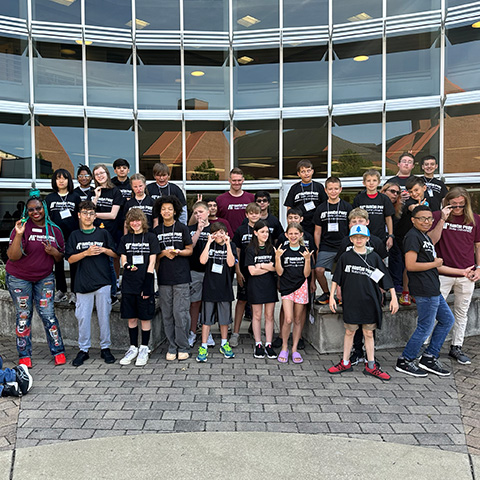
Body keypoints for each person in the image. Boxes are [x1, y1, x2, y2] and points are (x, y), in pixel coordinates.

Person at [328, 225, 398, 380]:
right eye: (355, 237)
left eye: (362, 237)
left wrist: (393, 297)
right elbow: (336, 278)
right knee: (349, 331)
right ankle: (345, 362)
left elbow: (385, 278)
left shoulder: (374, 257)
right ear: (351, 239)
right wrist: (332, 296)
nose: (358, 240)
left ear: (367, 239)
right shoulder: (345, 257)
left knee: (368, 332)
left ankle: (371, 365)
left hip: (370, 301)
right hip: (351, 301)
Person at [6, 189, 67, 368]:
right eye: (31, 209)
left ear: (44, 208)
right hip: (19, 278)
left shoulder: (55, 230)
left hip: (44, 277)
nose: (35, 212)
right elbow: (13, 256)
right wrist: (18, 234)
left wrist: (54, 252)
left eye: (38, 208)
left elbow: (60, 257)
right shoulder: (22, 227)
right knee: (24, 315)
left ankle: (58, 351)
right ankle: (24, 355)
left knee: (48, 315)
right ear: (27, 211)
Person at [395, 205, 455, 377]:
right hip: (424, 288)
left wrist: (462, 272)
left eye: (429, 218)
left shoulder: (423, 236)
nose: (426, 221)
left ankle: (429, 357)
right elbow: (410, 265)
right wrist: (435, 264)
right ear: (413, 220)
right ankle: (405, 360)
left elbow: (434, 241)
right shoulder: (412, 236)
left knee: (447, 320)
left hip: (432, 288)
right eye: (422, 218)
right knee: (425, 327)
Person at [431, 187, 480, 365]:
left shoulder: (475, 219)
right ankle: (428, 347)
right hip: (443, 272)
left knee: (461, 312)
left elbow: (478, 246)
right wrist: (443, 219)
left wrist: (479, 268)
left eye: (461, 204)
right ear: (447, 203)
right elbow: (431, 241)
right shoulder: (437, 216)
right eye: (454, 205)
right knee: (432, 311)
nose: (458, 208)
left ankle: (456, 346)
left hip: (467, 273)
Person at [66, 201, 118, 367]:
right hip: (82, 283)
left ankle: (105, 348)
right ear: (79, 215)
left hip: (103, 281)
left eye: (91, 213)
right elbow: (70, 259)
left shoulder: (103, 233)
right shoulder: (74, 235)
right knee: (83, 318)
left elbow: (115, 253)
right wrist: (86, 253)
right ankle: (83, 349)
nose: (88, 216)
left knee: (104, 316)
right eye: (85, 213)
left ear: (95, 216)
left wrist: (104, 250)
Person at [334, 208, 388, 366]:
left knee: (369, 324)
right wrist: (338, 288)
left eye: (361, 221)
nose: (357, 224)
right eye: (354, 221)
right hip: (352, 289)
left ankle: (370, 355)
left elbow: (381, 266)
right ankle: (356, 351)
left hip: (371, 289)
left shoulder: (376, 241)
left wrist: (382, 288)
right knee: (353, 323)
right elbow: (339, 267)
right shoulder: (346, 242)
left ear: (367, 222)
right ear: (349, 224)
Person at [118, 209, 160, 367]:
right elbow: (123, 259)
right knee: (131, 317)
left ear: (143, 221)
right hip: (129, 283)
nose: (135, 223)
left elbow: (152, 262)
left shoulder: (151, 237)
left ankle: (144, 348)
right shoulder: (125, 239)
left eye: (138, 220)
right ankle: (133, 347)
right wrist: (127, 266)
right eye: (132, 221)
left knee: (145, 318)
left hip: (145, 281)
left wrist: (148, 285)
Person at [154, 195, 193, 361]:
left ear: (175, 211)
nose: (166, 212)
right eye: (163, 209)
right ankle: (172, 346)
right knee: (167, 314)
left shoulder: (182, 228)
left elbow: (190, 250)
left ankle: (183, 346)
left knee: (180, 313)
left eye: (170, 209)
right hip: (164, 278)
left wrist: (179, 252)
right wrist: (164, 253)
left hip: (181, 277)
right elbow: (154, 256)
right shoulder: (156, 231)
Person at [273, 208, 317, 350]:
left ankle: (296, 345)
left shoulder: (306, 246)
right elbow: (279, 271)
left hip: (301, 284)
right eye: (290, 234)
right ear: (286, 235)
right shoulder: (282, 244)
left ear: (301, 234)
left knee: (298, 317)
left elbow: (308, 270)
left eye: (296, 234)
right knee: (288, 317)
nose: (293, 236)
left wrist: (308, 263)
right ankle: (283, 342)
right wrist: (277, 258)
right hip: (286, 285)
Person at [196, 222, 236, 363]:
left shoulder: (231, 246)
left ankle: (224, 344)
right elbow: (202, 261)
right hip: (209, 287)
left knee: (224, 319)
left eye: (221, 232)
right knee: (206, 319)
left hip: (224, 287)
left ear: (226, 233)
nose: (219, 235)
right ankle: (204, 346)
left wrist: (228, 244)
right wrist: (208, 242)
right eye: (215, 232)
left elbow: (231, 263)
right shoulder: (209, 245)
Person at [313, 176, 353, 304]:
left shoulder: (347, 207)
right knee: (318, 270)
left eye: (336, 188)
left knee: (345, 271)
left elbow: (352, 227)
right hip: (326, 245)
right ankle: (326, 293)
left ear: (340, 189)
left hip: (343, 244)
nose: (333, 191)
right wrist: (317, 248)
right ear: (325, 190)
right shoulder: (321, 208)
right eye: (330, 189)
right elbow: (317, 231)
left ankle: (343, 295)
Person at [45, 168, 81, 304]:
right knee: (58, 263)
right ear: (54, 181)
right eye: (58, 178)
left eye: (64, 178)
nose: (61, 181)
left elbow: (79, 217)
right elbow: (46, 218)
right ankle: (61, 290)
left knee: (74, 263)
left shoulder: (75, 197)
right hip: (55, 236)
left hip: (72, 235)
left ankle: (74, 292)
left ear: (69, 180)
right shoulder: (50, 198)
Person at [230, 202, 261, 347]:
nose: (254, 215)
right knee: (242, 301)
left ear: (260, 214)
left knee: (257, 302)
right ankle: (235, 333)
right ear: (246, 215)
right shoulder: (241, 230)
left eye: (256, 213)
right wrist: (237, 270)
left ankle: (256, 331)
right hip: (244, 270)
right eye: (251, 213)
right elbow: (236, 251)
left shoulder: (264, 228)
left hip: (260, 271)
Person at [246, 220, 278, 359]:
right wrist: (267, 266)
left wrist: (261, 265)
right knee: (257, 316)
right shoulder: (250, 249)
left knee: (269, 316)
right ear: (255, 233)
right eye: (262, 232)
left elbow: (275, 268)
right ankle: (258, 344)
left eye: (267, 232)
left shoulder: (272, 248)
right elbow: (252, 271)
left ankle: (269, 344)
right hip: (255, 286)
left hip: (269, 285)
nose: (265, 234)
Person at [91, 164, 123, 300]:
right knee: (98, 262)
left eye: (102, 173)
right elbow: (88, 210)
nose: (100, 176)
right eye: (97, 174)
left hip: (111, 232)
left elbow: (113, 215)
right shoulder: (93, 192)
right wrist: (96, 197)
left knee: (111, 262)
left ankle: (113, 292)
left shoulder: (115, 192)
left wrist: (94, 215)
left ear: (107, 174)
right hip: (96, 232)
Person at [397, 176, 430, 306]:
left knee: (422, 264)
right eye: (411, 191)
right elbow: (411, 207)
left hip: (424, 237)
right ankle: (405, 292)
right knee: (409, 265)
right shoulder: (409, 202)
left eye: (416, 190)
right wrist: (417, 207)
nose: (414, 194)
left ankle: (416, 292)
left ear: (424, 188)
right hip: (407, 237)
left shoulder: (430, 200)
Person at [187, 201, 214, 348]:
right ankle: (192, 332)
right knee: (195, 302)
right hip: (195, 270)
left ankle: (207, 332)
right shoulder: (190, 229)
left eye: (201, 212)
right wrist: (198, 230)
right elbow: (190, 246)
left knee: (208, 302)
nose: (198, 215)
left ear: (208, 212)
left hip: (211, 272)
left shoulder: (214, 228)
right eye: (195, 213)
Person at [284, 159, 327, 237]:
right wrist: (291, 225)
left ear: (312, 171)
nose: (306, 174)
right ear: (298, 174)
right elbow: (289, 207)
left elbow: (324, 204)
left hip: (316, 223)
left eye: (308, 171)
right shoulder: (294, 188)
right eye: (303, 171)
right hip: (300, 224)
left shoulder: (319, 187)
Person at [352, 169, 394, 248]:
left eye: (374, 180)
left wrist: (390, 236)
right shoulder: (359, 199)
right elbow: (353, 218)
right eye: (368, 181)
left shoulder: (384, 199)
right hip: (362, 237)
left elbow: (388, 218)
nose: (371, 183)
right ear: (364, 183)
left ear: (379, 182)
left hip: (380, 237)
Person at [216, 168, 255, 233]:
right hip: (227, 236)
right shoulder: (220, 199)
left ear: (243, 180)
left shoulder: (251, 198)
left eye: (239, 180)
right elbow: (216, 219)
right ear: (229, 180)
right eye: (234, 180)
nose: (237, 183)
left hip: (247, 236)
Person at [381, 182, 404, 294]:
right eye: (392, 191)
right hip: (378, 236)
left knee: (396, 258)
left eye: (397, 193)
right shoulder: (377, 203)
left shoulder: (398, 208)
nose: (395, 194)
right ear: (384, 191)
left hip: (393, 238)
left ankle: (396, 284)